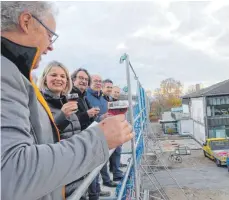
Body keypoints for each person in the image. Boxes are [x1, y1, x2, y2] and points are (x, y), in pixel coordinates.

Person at [1, 2, 133, 200]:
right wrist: (99, 139)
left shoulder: (17, 74)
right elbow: (12, 173)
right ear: (26, 22)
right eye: (49, 34)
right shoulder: (6, 75)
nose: (51, 46)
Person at [71, 68, 110, 199]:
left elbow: (90, 117)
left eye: (85, 79)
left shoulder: (83, 96)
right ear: (73, 79)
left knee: (94, 168)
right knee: (85, 172)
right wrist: (88, 114)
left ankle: (96, 192)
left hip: (90, 135)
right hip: (79, 139)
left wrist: (100, 118)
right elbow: (71, 119)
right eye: (80, 78)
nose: (83, 81)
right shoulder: (70, 95)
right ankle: (93, 194)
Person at [86, 75, 118, 199]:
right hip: (92, 134)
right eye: (96, 81)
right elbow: (91, 116)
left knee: (102, 161)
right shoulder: (86, 96)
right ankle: (94, 193)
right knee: (93, 166)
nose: (98, 83)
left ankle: (100, 187)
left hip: (104, 133)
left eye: (100, 81)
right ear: (90, 83)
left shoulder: (103, 99)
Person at [102, 82, 125, 181]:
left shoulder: (114, 101)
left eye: (117, 92)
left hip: (114, 128)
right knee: (108, 153)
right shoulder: (106, 100)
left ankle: (115, 169)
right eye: (114, 91)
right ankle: (112, 173)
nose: (115, 93)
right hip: (106, 129)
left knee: (117, 150)